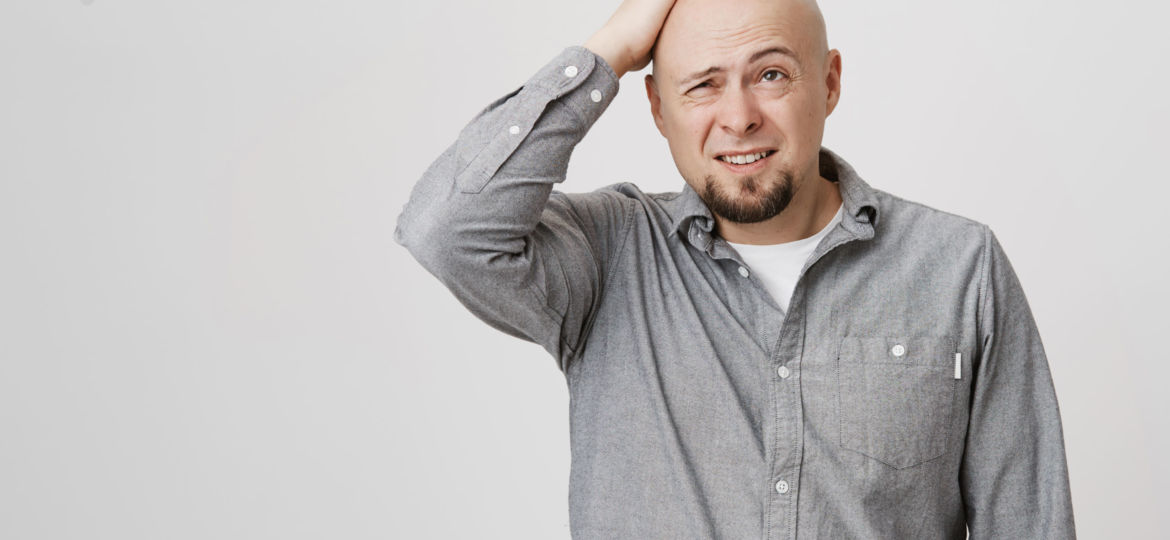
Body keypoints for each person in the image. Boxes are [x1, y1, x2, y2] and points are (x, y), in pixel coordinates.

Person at [393, 0, 1077, 537]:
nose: (739, 117)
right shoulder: (607, 256)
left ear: (830, 82)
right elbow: (445, 229)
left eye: (771, 74)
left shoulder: (959, 266)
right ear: (657, 107)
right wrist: (610, 49)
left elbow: (1029, 524)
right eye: (702, 85)